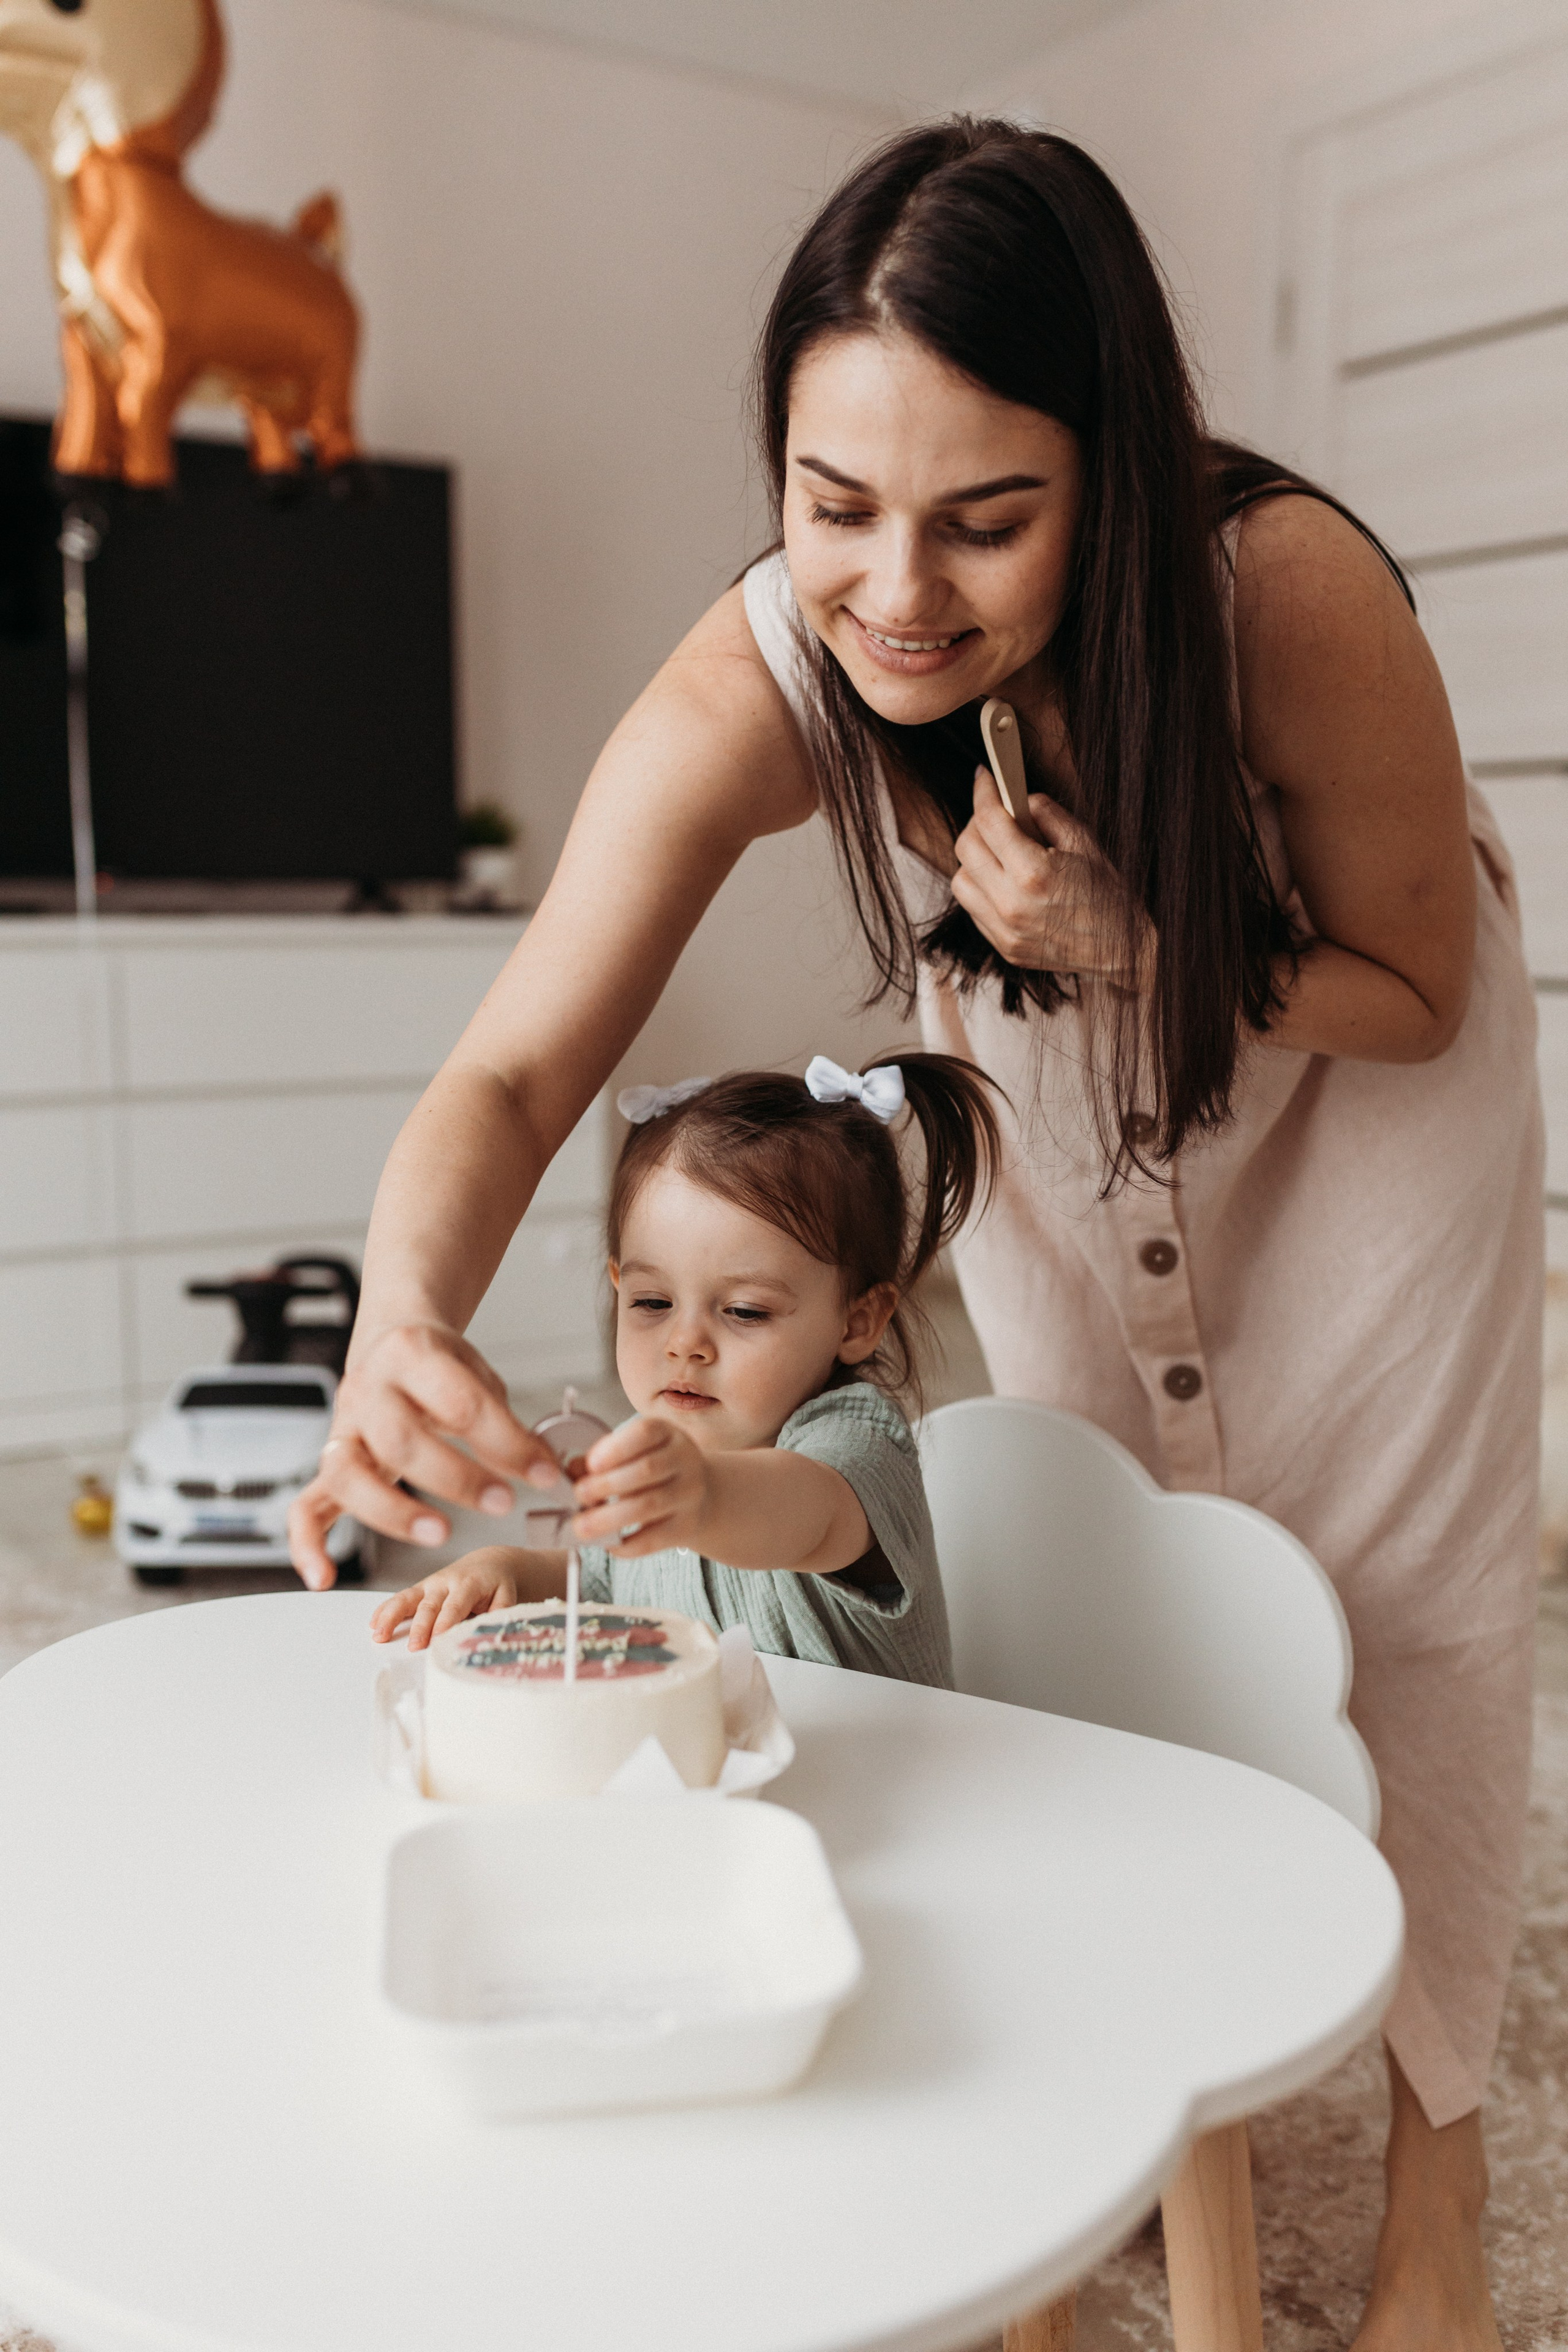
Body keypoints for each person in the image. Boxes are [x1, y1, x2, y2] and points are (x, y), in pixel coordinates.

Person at [291, 119, 1541, 2352]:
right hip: (1065, 1078)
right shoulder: (781, 666)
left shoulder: (1281, 594)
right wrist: (403, 1306)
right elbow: (517, 1064)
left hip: (1349, 1084)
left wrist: (1140, 940)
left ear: (1112, 474)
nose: (894, 592)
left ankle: (1435, 2174)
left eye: (986, 518)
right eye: (831, 503)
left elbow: (1414, 983)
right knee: (1079, 1558)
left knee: (1401, 1597)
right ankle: (1145, 2048)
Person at [369, 1052, 998, 1686]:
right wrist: (506, 1571)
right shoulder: (652, 1456)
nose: (684, 1344)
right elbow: (598, 1585)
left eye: (745, 1311)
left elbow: (805, 1517)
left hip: (889, 1752)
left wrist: (704, 1494)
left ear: (857, 1323)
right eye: (652, 1303)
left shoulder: (858, 1442)